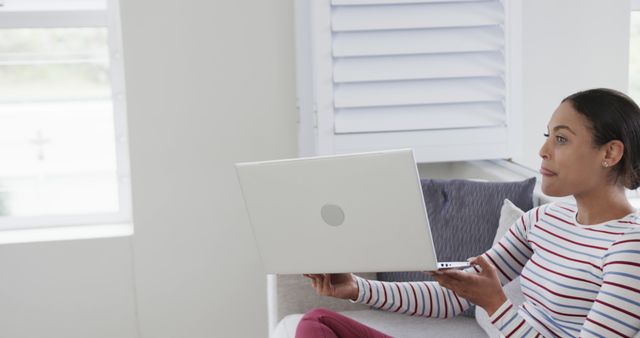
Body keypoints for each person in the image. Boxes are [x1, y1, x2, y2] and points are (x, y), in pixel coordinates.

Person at [296, 88, 640, 338]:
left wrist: (496, 305)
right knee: (318, 324)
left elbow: (490, 301)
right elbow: (453, 296)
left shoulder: (629, 248)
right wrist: (356, 287)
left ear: (609, 152)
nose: (543, 150)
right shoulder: (541, 222)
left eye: (562, 140)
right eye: (547, 136)